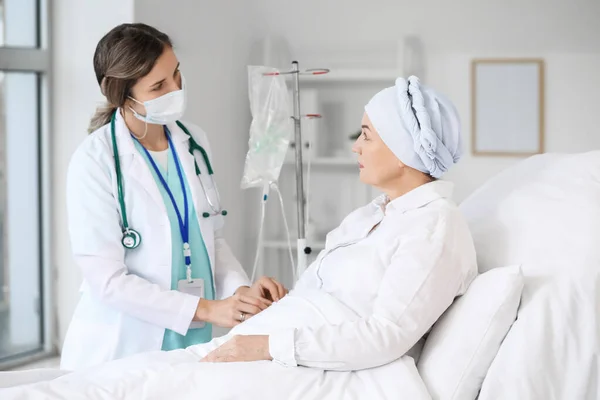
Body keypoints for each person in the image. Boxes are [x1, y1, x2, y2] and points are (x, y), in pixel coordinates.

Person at [2, 76, 477, 398]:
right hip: (266, 339)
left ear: (405, 150)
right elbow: (335, 296)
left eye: (368, 135)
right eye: (160, 83)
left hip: (293, 361)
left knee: (136, 388)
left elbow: (386, 334)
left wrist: (268, 344)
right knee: (105, 381)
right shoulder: (373, 215)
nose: (355, 144)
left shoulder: (434, 227)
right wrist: (281, 299)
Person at [60, 23, 286, 371]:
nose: (176, 89)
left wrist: (241, 295)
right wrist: (209, 308)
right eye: (159, 86)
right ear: (124, 96)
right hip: (126, 343)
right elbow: (107, 281)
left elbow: (213, 236)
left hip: (196, 335)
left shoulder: (193, 142)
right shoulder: (94, 161)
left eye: (177, 74)